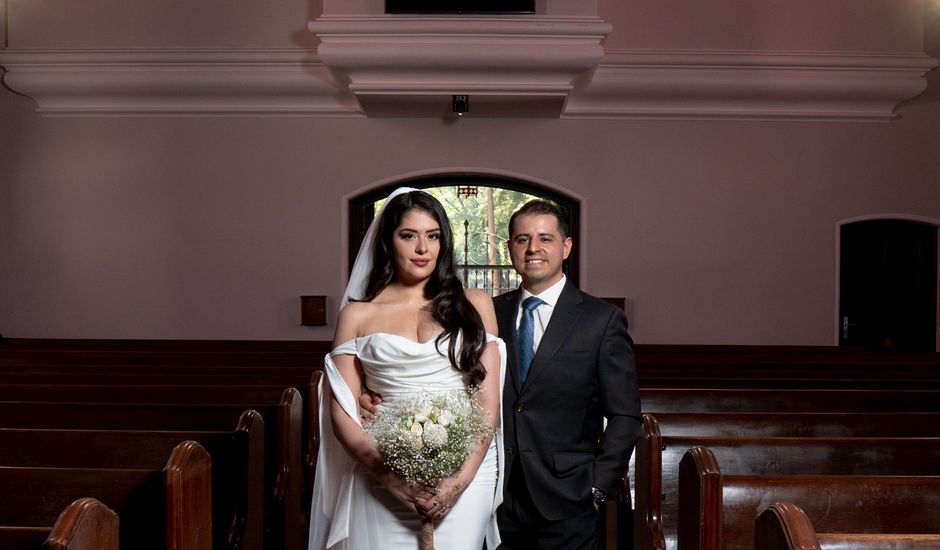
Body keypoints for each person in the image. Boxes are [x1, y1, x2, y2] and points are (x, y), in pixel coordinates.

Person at [308, 188, 506, 550]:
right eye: (408, 235)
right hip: (381, 469)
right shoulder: (357, 314)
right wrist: (393, 480)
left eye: (433, 236)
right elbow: (342, 413)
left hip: (466, 471)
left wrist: (456, 484)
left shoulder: (475, 303)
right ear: (388, 240)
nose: (422, 248)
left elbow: (487, 407)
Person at [493, 200, 642, 549]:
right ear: (511, 247)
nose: (533, 249)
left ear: (566, 247)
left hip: (568, 502)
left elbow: (625, 415)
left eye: (545, 238)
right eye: (522, 239)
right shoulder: (490, 314)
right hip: (496, 500)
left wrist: (596, 487)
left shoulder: (600, 320)